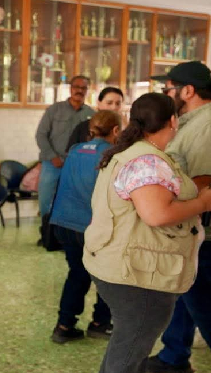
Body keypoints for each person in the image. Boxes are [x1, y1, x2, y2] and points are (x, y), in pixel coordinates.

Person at [83, 93, 211, 373]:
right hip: (137, 275)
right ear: (173, 121)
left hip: (122, 263)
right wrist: (204, 203)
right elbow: (157, 214)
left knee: (126, 346)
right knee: (129, 352)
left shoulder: (135, 153)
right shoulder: (147, 161)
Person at [146, 61, 211, 373]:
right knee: (185, 293)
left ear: (187, 91)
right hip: (189, 230)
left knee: (205, 306)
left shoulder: (208, 127)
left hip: (207, 235)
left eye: (169, 88)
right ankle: (173, 356)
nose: (165, 93)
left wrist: (161, 206)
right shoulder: (191, 123)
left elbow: (203, 187)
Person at [49, 110, 121, 344]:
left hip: (64, 222)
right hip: (90, 225)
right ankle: (100, 323)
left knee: (77, 273)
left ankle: (64, 325)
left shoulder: (74, 150)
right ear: (116, 130)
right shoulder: (112, 155)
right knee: (105, 275)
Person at [35, 75, 95, 217]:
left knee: (74, 201)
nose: (80, 91)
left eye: (83, 88)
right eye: (76, 87)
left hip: (77, 166)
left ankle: (64, 230)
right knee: (45, 199)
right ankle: (45, 228)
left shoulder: (91, 114)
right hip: (53, 163)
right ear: (70, 89)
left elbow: (93, 142)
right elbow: (41, 135)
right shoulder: (54, 109)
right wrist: (53, 157)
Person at [66, 87, 124, 151]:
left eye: (118, 103)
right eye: (109, 103)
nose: (114, 107)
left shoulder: (125, 128)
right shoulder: (83, 127)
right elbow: (71, 152)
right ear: (99, 103)